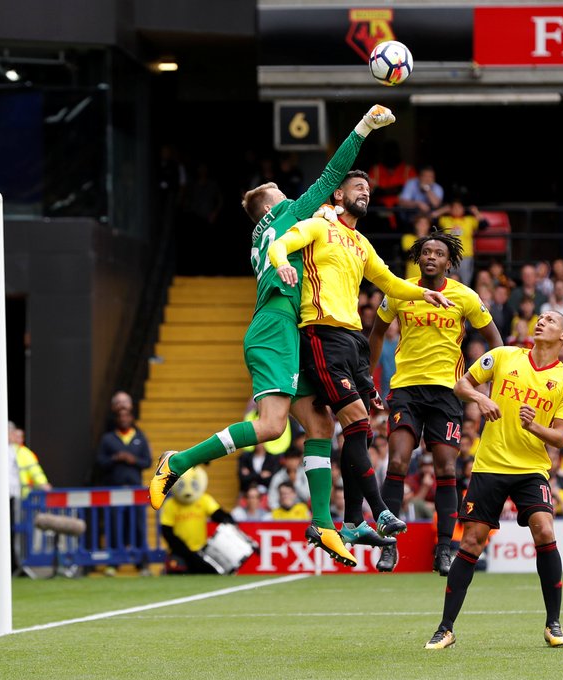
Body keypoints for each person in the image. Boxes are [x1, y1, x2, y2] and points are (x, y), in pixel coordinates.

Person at [149, 105, 398, 569]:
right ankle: (179, 462)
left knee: (321, 427)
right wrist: (364, 128)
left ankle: (325, 524)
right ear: (273, 205)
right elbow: (332, 176)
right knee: (271, 426)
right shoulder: (286, 215)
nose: (297, 197)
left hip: (291, 329)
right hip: (276, 326)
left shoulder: (266, 237)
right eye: (285, 193)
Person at [268, 169, 453, 551]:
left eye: (368, 190)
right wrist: (280, 262)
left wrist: (424, 295)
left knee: (363, 431)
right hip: (322, 332)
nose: (365, 193)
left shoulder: (360, 243)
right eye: (358, 188)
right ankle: (380, 509)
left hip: (353, 339)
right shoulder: (319, 226)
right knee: (355, 421)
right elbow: (280, 244)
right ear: (338, 194)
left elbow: (390, 282)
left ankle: (352, 521)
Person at [424, 310, 563, 650]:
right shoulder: (504, 356)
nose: (541, 321)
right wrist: (481, 397)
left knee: (545, 529)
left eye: (552, 320)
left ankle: (553, 624)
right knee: (471, 543)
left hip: (531, 469)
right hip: (490, 465)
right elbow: (461, 384)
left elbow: (561, 438)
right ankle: (445, 628)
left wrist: (534, 426)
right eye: (540, 318)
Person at [368, 232, 503, 574]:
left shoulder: (465, 296)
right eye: (425, 252)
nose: (430, 257)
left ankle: (444, 549)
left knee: (445, 468)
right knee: (397, 461)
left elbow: (495, 342)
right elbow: (377, 333)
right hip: (406, 390)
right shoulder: (400, 290)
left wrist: (481, 384)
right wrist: (368, 378)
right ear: (418, 257)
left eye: (437, 253)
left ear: (448, 261)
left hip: (447, 393)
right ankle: (389, 545)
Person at [95, 404, 151, 486]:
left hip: (135, 485)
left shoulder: (141, 438)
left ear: (131, 418)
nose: (123, 419)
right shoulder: (107, 438)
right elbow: (100, 462)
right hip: (113, 487)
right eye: (120, 416)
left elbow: (147, 462)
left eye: (126, 416)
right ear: (116, 419)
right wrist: (115, 458)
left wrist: (134, 460)